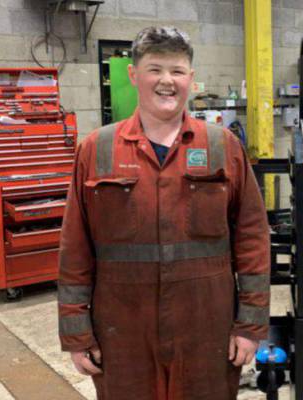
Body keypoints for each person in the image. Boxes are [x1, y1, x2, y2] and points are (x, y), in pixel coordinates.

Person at [58, 26, 270, 400]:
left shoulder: (223, 146)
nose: (166, 81)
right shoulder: (96, 149)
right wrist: (77, 333)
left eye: (177, 70)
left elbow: (252, 239)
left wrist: (250, 325)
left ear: (190, 77)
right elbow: (75, 246)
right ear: (133, 75)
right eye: (155, 69)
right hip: (121, 333)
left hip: (208, 328)